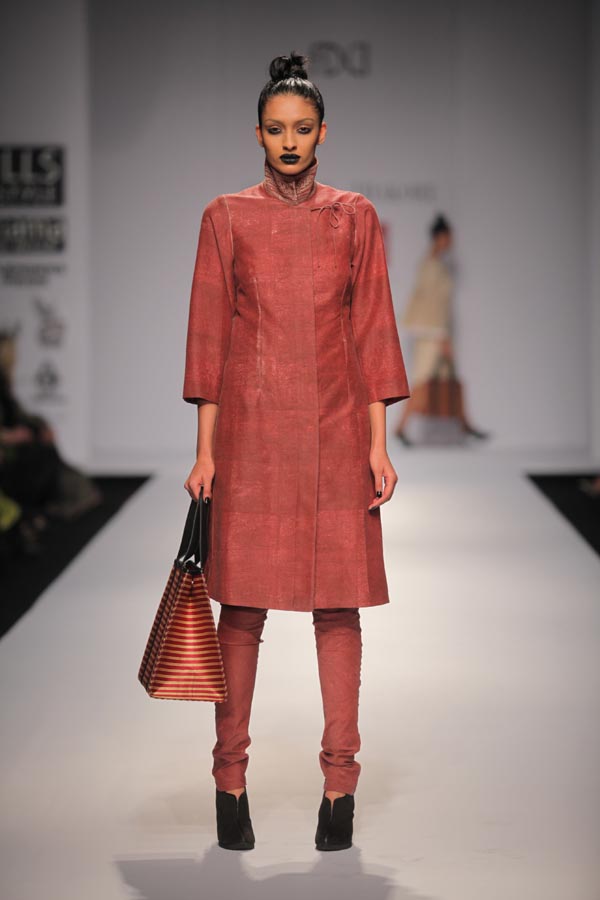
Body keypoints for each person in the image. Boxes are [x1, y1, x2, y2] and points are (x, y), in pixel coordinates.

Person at [182, 51, 410, 852]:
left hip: (337, 431)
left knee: (337, 607)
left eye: (302, 128)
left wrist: (379, 446)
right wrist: (204, 451)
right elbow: (209, 340)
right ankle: (229, 783)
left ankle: (339, 789)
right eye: (276, 128)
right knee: (240, 610)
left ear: (322, 133)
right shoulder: (226, 217)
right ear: (257, 134)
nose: (289, 141)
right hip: (249, 436)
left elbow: (373, 330)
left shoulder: (355, 215)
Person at [395, 214, 488, 444]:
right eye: (448, 236)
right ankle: (401, 427)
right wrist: (442, 336)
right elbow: (431, 304)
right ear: (440, 237)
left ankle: (464, 423)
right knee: (422, 382)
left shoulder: (434, 264)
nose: (451, 241)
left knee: (448, 378)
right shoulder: (432, 266)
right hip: (431, 333)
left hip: (435, 332)